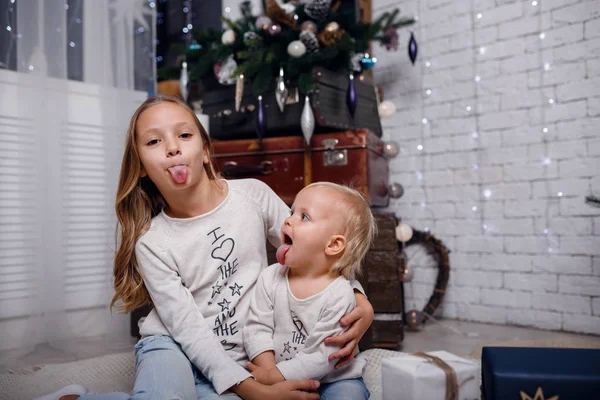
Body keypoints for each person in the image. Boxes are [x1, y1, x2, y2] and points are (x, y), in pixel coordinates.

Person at [40, 95, 373, 400]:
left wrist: (358, 298)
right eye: (154, 141)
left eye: (184, 135)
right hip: (174, 342)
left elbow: (314, 248)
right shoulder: (152, 242)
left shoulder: (252, 196)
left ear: (206, 150)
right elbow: (188, 329)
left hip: (246, 352)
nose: (172, 148)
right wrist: (251, 391)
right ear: (140, 166)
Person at [243, 182, 376, 400]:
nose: (288, 219)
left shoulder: (340, 294)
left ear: (333, 245)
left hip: (336, 377)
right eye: (291, 211)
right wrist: (267, 372)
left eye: (304, 217)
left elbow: (322, 357)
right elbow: (257, 327)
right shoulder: (271, 277)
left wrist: (274, 376)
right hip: (281, 376)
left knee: (348, 396)